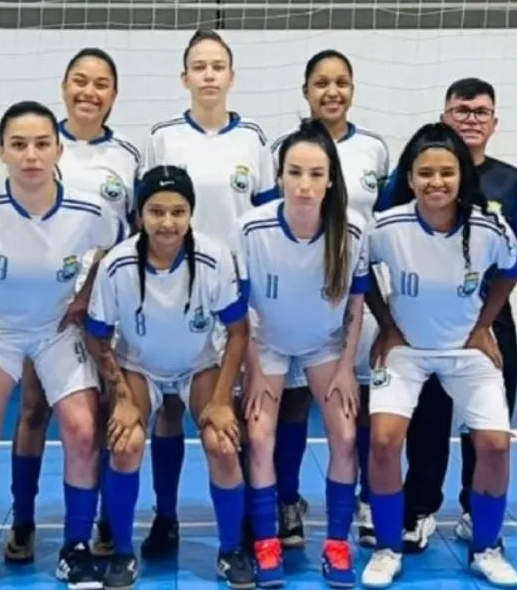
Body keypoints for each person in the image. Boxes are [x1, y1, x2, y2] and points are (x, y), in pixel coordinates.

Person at [0, 101, 122, 589]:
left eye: (42, 143)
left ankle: (76, 548)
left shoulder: (89, 208)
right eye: (18, 145)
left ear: (58, 148)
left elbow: (116, 246)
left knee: (84, 433)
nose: (31, 155)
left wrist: (85, 296)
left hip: (58, 329)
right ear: (1, 150)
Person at [376, 78, 517, 552]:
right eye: (461, 110)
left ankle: (475, 515)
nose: (471, 118)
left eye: (480, 111)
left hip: (484, 320)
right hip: (420, 322)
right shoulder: (407, 184)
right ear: (445, 117)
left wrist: (484, 322)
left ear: (494, 121)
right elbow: (376, 249)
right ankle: (420, 509)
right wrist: (389, 325)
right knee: (425, 422)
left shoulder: (510, 184)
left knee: (485, 429)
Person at [139, 28, 277, 558]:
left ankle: (241, 520)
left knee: (231, 412)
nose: (209, 75)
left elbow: (265, 220)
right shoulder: (163, 137)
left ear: (232, 76)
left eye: (218, 66)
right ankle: (166, 516)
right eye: (199, 66)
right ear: (185, 77)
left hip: (235, 293)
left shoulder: (254, 140)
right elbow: (150, 213)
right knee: (169, 409)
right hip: (173, 290)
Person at [85, 165, 254, 589]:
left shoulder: (214, 258)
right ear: (140, 214)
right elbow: (98, 337)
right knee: (125, 444)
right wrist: (121, 396)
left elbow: (238, 332)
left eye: (178, 211)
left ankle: (231, 548)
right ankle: (123, 551)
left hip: (197, 363)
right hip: (139, 365)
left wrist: (220, 400)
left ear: (190, 213)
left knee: (223, 442)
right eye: (156, 211)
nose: (167, 222)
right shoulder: (118, 264)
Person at [4, 47, 141, 565]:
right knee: (35, 408)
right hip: (46, 308)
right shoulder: (42, 144)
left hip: (106, 306)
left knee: (106, 410)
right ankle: (22, 520)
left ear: (114, 94)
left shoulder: (127, 155)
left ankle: (102, 518)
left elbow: (133, 233)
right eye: (80, 81)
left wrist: (98, 295)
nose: (90, 91)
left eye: (101, 83)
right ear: (64, 87)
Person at [237, 118, 369, 588]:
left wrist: (349, 369)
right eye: (295, 173)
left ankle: (336, 544)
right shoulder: (250, 229)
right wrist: (252, 370)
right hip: (266, 344)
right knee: (257, 437)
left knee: (347, 435)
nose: (305, 185)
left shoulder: (352, 230)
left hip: (325, 345)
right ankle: (266, 543)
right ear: (279, 176)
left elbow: (355, 303)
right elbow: (242, 309)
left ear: (331, 178)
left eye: (316, 174)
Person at [269, 49, 389, 549]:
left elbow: (384, 227)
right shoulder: (283, 147)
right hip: (294, 303)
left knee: (353, 402)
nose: (331, 91)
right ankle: (288, 500)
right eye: (321, 82)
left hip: (352, 303)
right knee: (292, 404)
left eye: (341, 82)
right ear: (305, 91)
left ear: (353, 89)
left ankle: (362, 497)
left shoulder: (375, 151)